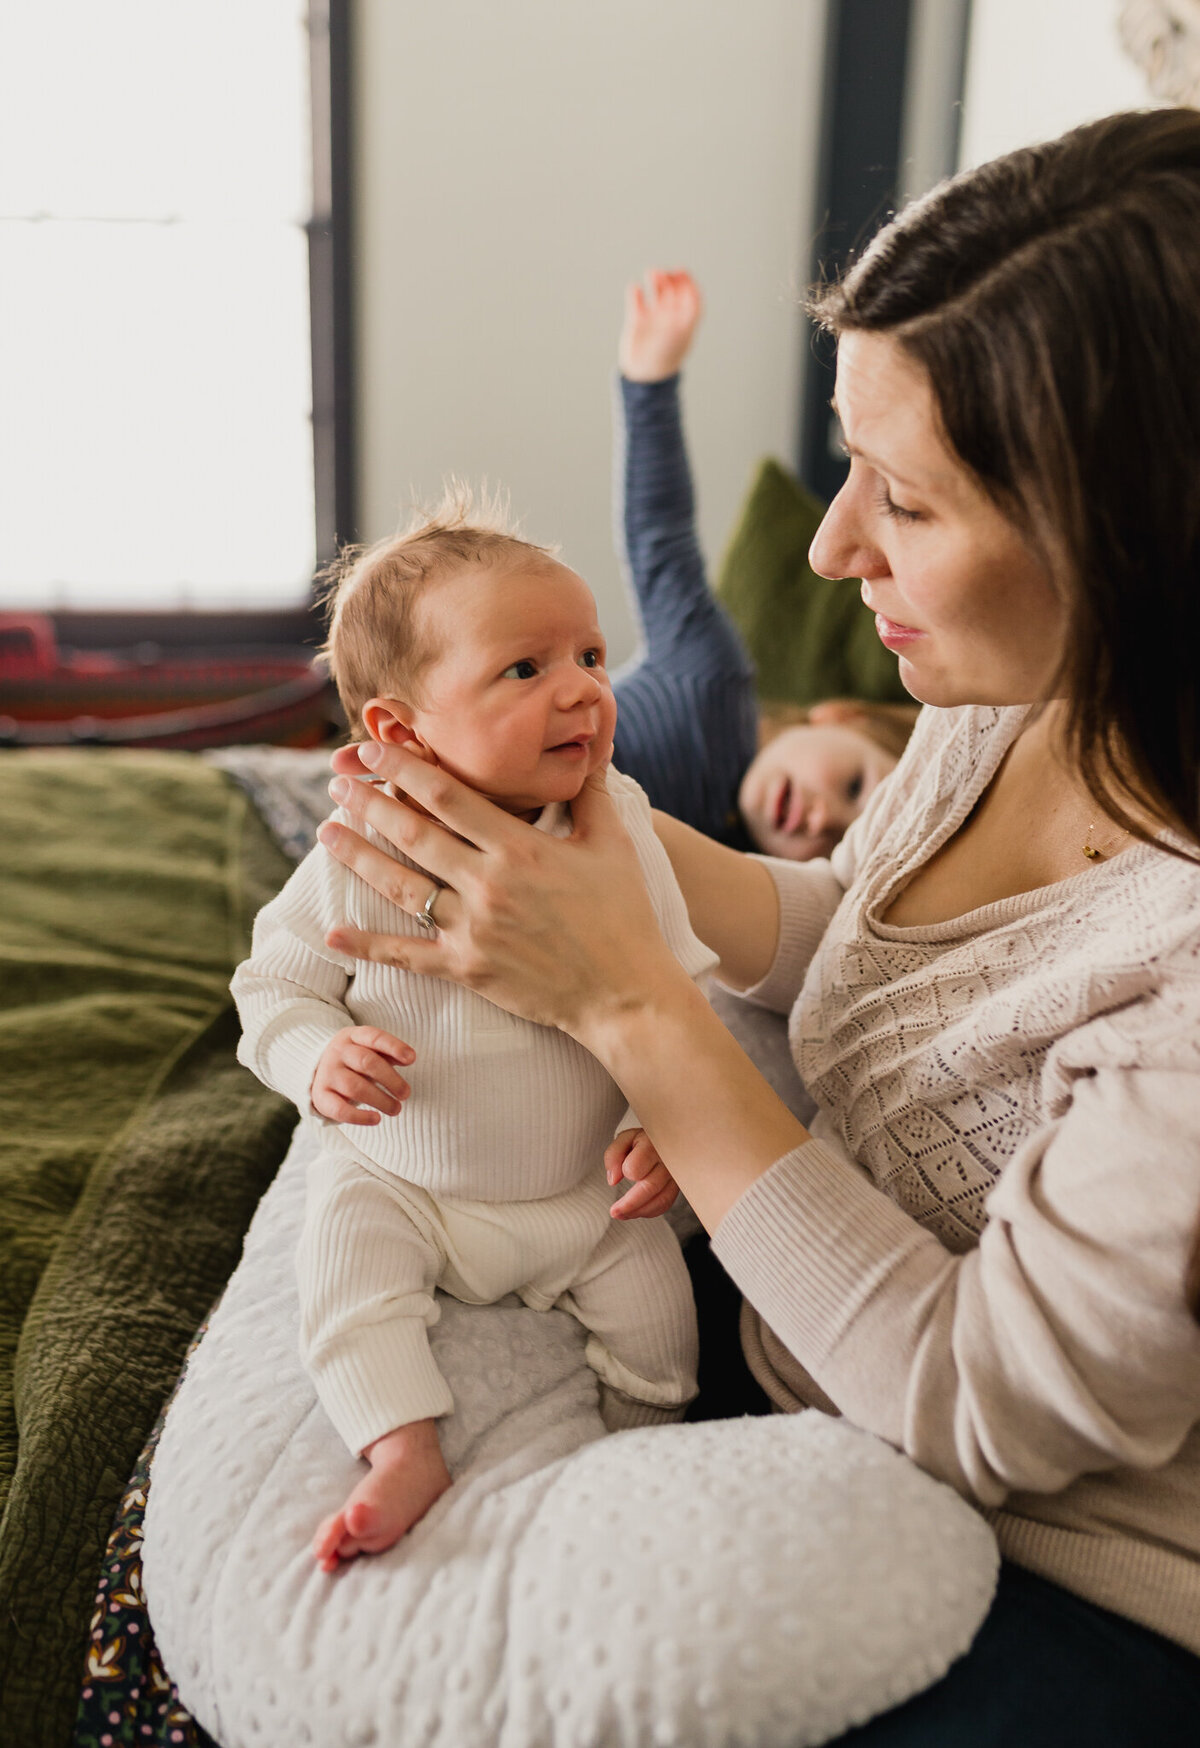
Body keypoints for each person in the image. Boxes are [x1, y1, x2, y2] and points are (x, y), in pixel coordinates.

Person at [316, 109, 1200, 1741]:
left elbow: (972, 1399)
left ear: (1132, 542)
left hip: (1063, 1581)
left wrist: (632, 1000)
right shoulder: (1014, 683)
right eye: (845, 458)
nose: (829, 542)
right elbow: (884, 951)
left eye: (907, 501)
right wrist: (605, 852)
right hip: (795, 1366)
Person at [231, 502, 717, 1571]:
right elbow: (272, 986)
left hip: (583, 1189)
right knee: (344, 1264)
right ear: (401, 732)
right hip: (410, 1179)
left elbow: (680, 979)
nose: (587, 686)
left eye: (591, 653)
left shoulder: (617, 824)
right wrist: (317, 1057)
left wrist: (656, 1116)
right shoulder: (362, 847)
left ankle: (648, 1444)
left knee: (663, 1318)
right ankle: (401, 1444)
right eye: (526, 668)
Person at [612, 266, 916, 860]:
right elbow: (659, 539)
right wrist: (649, 382)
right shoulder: (708, 677)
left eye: (837, 846)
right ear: (838, 715)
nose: (823, 819)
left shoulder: (735, 867)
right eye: (854, 786)